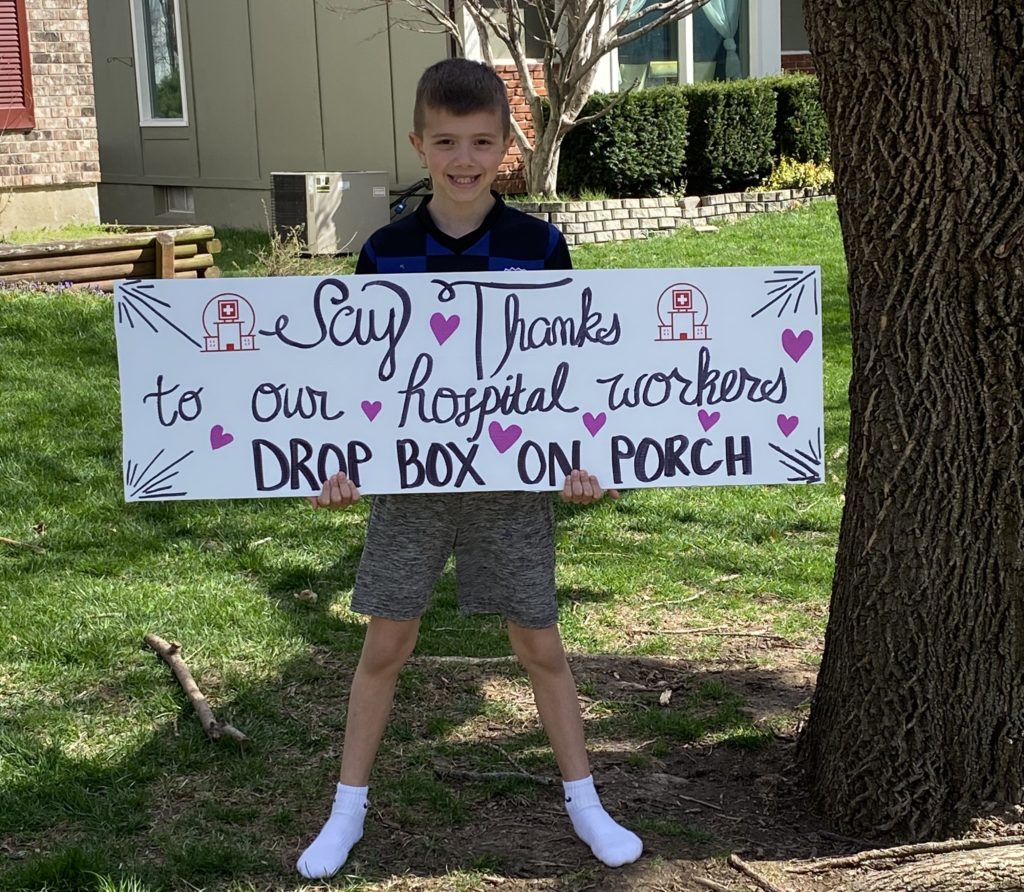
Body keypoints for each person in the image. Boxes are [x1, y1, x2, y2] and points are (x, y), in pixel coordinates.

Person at [296, 58, 643, 880]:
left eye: (481, 142)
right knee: (386, 643)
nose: (464, 158)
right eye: (446, 141)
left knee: (540, 644)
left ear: (505, 146)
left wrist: (584, 461)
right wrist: (339, 464)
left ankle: (585, 803)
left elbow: (571, 368)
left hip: (512, 486)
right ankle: (346, 810)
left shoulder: (539, 245)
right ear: (419, 144)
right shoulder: (384, 250)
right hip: (411, 488)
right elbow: (356, 375)